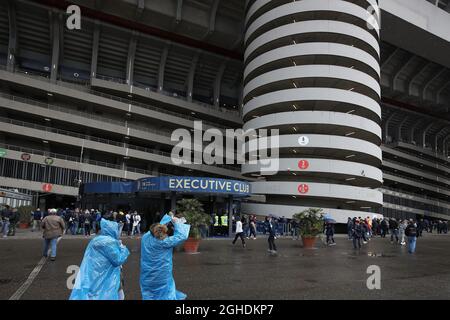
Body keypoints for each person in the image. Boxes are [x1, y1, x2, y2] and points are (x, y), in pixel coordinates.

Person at [70, 218, 130, 300]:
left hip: (95, 272)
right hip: (108, 274)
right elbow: (118, 260)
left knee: (95, 292)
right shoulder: (109, 242)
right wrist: (123, 249)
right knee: (111, 292)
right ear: (113, 230)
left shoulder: (96, 240)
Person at [140, 214, 190, 300]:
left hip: (147, 276)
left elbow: (157, 228)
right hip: (162, 276)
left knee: (149, 294)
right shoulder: (164, 242)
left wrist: (167, 220)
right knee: (165, 294)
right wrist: (177, 223)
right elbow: (182, 236)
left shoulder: (145, 237)